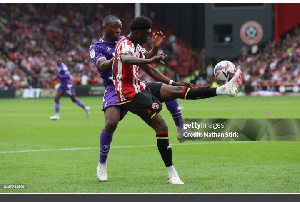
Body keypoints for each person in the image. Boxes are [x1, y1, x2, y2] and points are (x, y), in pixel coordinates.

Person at [112, 16, 242, 184]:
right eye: (145, 34)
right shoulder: (124, 44)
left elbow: (150, 69)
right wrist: (150, 58)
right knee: (161, 126)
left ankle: (223, 90)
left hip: (141, 87)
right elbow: (126, 59)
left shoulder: (136, 46)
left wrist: (171, 79)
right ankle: (172, 174)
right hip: (129, 94)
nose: (147, 37)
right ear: (136, 32)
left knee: (179, 90)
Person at [89, 15, 192, 182]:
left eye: (120, 26)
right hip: (113, 88)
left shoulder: (127, 41)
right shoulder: (97, 47)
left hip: (133, 84)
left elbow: (147, 59)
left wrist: (155, 47)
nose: (118, 29)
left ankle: (181, 128)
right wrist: (117, 56)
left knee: (168, 91)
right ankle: (102, 164)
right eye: (114, 27)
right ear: (104, 27)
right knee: (111, 123)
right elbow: (102, 65)